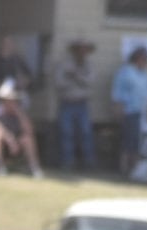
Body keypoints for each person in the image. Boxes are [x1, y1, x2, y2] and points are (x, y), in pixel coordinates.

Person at [52, 37, 94, 171]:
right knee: (66, 132)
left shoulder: (89, 65)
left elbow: (90, 82)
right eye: (80, 49)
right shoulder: (64, 65)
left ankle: (88, 161)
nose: (82, 52)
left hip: (82, 103)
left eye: (85, 50)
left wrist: (75, 76)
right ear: (74, 50)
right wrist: (71, 79)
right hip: (67, 102)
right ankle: (67, 161)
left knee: (85, 133)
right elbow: (58, 83)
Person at [0, 79, 41, 177]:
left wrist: (19, 113)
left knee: (28, 139)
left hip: (17, 140)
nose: (10, 102)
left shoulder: (20, 111)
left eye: (12, 100)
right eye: (8, 100)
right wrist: (10, 140)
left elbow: (29, 130)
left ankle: (34, 168)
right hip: (5, 141)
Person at [111, 45, 147, 175]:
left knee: (138, 141)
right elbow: (117, 91)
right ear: (137, 58)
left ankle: (135, 167)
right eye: (144, 59)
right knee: (128, 140)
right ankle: (124, 167)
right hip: (129, 110)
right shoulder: (125, 72)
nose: (145, 62)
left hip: (142, 111)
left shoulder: (145, 74)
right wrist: (118, 109)